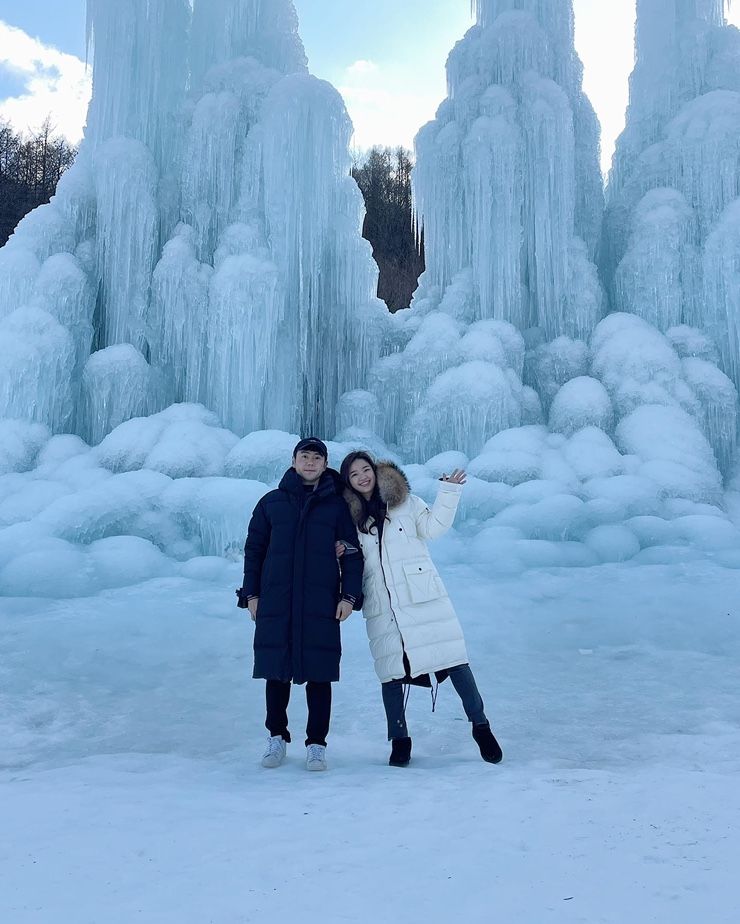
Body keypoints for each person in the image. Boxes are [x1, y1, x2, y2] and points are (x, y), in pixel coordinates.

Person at [339, 451, 502, 768]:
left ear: (375, 471)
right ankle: (400, 741)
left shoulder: (406, 503)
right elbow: (351, 561)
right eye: (354, 474)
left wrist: (449, 492)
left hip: (422, 596)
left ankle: (481, 727)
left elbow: (434, 527)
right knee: (391, 673)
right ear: (348, 482)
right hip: (383, 604)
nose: (362, 477)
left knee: (454, 660)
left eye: (365, 469)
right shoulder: (351, 521)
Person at [237, 438, 363, 771]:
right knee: (276, 673)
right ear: (294, 462)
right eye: (304, 456)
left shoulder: (336, 507)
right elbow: (254, 552)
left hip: (320, 601)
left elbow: (352, 553)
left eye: (316, 458)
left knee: (320, 673)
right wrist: (251, 595)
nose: (310, 462)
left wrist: (349, 597)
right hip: (277, 600)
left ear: (325, 464)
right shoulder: (270, 503)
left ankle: (317, 744)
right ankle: (276, 737)